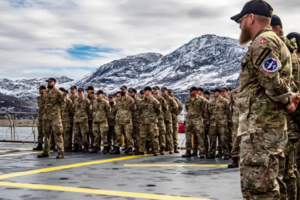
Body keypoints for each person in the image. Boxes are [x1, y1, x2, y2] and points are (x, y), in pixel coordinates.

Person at [231, 1, 299, 199]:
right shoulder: (273, 41)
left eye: (241, 20)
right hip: (266, 128)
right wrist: (288, 98)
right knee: (272, 183)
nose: (240, 25)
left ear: (251, 18)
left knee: (259, 189)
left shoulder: (263, 42)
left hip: (260, 129)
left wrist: (286, 101)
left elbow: (272, 79)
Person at [271, 14, 300, 200]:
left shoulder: (287, 57)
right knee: (291, 170)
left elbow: (293, 90)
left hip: (290, 124)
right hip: (290, 124)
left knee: (287, 171)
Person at [37, 78, 64, 159]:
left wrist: (59, 113)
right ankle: (45, 152)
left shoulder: (58, 92)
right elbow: (43, 104)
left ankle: (60, 153)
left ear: (54, 83)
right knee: (47, 135)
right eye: (48, 82)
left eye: (50, 82)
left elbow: (63, 103)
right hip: (47, 117)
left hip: (55, 117)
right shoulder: (45, 93)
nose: (49, 83)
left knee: (58, 134)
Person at [182, 87, 207, 158]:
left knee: (200, 136)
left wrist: (203, 118)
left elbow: (204, 109)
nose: (190, 92)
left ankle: (202, 152)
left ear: (196, 92)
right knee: (188, 136)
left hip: (198, 119)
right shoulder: (187, 99)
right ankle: (188, 151)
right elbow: (187, 108)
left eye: (192, 91)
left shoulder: (201, 99)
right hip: (189, 120)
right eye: (190, 91)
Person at [137, 86, 161, 156]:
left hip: (152, 122)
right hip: (143, 122)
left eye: (146, 91)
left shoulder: (154, 101)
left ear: (150, 92)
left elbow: (159, 111)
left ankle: (156, 150)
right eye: (144, 91)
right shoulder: (141, 101)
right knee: (142, 137)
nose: (145, 92)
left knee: (154, 137)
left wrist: (153, 117)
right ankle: (141, 150)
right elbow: (140, 111)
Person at [207, 88, 230, 160]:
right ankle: (212, 153)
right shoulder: (211, 102)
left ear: (219, 93)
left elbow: (228, 112)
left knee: (223, 139)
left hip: (222, 123)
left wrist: (227, 121)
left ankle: (226, 153)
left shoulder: (225, 101)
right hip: (213, 123)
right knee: (212, 139)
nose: (213, 93)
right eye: (213, 92)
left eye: (215, 92)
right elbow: (208, 112)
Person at [111, 85, 134, 155]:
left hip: (127, 121)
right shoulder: (118, 99)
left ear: (126, 90)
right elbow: (115, 108)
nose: (122, 91)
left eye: (123, 89)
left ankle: (130, 148)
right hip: (118, 120)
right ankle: (116, 148)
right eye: (121, 89)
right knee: (117, 135)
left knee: (128, 135)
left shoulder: (130, 99)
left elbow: (133, 109)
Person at [72, 88, 91, 152]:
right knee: (76, 133)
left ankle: (86, 146)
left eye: (81, 92)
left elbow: (89, 110)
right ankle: (77, 146)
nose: (79, 93)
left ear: (83, 92)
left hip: (83, 119)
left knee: (84, 134)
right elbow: (74, 109)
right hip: (76, 119)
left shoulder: (86, 100)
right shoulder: (75, 100)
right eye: (79, 92)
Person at [161, 87, 178, 154]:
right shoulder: (161, 98)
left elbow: (176, 106)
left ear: (166, 92)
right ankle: (163, 148)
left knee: (169, 134)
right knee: (162, 134)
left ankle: (171, 148)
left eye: (164, 91)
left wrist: (172, 112)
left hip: (168, 119)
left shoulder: (170, 99)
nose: (163, 93)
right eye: (162, 92)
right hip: (162, 118)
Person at [228, 87, 241, 168]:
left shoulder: (252, 90)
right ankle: (235, 160)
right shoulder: (233, 93)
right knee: (235, 140)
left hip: (249, 120)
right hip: (237, 119)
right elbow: (232, 106)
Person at [168, 89, 183, 153]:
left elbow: (181, 107)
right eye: (168, 93)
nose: (169, 94)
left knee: (175, 133)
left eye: (170, 92)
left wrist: (176, 113)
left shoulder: (175, 99)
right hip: (167, 119)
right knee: (168, 133)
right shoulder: (165, 100)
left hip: (174, 119)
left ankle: (175, 147)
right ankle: (169, 147)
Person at [153, 86, 167, 155]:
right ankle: (156, 148)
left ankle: (162, 148)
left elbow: (165, 108)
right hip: (153, 119)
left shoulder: (161, 99)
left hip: (160, 119)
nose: (155, 91)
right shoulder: (151, 98)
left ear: (158, 90)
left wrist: (161, 114)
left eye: (156, 90)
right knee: (154, 134)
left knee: (161, 134)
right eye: (154, 90)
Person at [59, 88, 73, 152]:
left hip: (66, 119)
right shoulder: (59, 100)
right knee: (61, 133)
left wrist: (69, 118)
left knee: (67, 134)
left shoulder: (68, 100)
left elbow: (71, 110)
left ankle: (67, 146)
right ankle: (62, 146)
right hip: (60, 119)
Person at [33, 85, 46, 151]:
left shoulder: (47, 97)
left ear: (44, 90)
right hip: (40, 116)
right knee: (40, 131)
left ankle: (47, 146)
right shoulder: (39, 98)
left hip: (46, 116)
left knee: (46, 132)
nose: (39, 90)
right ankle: (40, 145)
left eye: (40, 89)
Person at [128, 88, 142, 152]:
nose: (130, 94)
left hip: (137, 120)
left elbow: (142, 110)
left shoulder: (139, 101)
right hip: (129, 120)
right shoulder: (127, 100)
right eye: (129, 93)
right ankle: (130, 147)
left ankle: (138, 148)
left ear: (135, 93)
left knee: (137, 135)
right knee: (130, 135)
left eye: (131, 93)